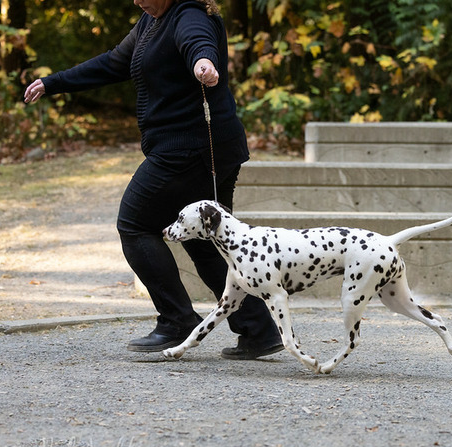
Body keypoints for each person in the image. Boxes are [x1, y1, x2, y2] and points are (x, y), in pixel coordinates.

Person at [23, 0, 283, 359]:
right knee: (207, 239)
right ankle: (257, 329)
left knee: (135, 224)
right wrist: (53, 83)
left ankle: (177, 320)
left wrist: (204, 63)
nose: (135, 0)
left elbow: (198, 43)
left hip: (189, 149)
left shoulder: (188, 14)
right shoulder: (150, 21)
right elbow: (114, 62)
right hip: (208, 147)